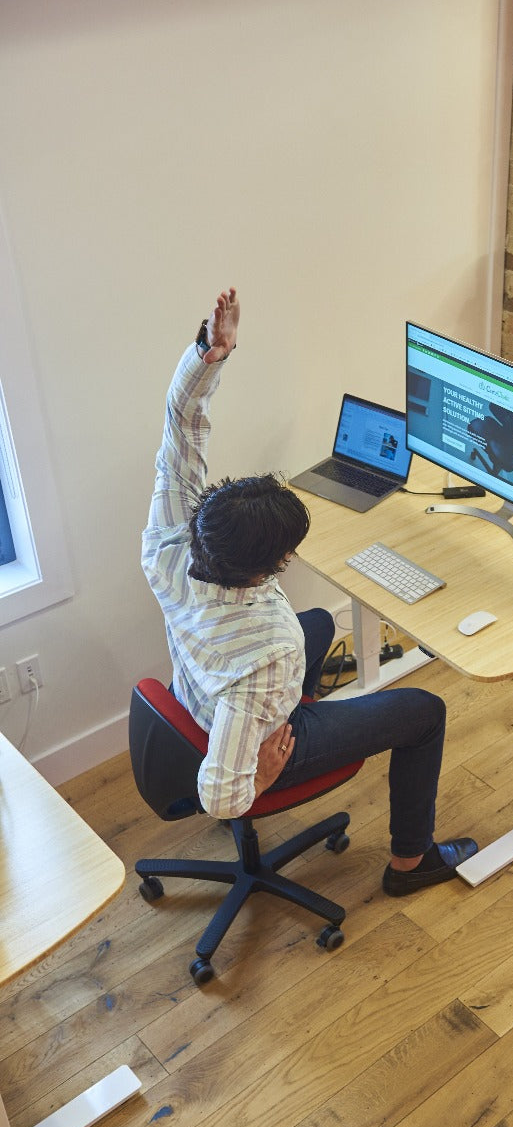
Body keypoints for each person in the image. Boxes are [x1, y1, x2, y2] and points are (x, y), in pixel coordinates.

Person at [142, 287, 478, 895]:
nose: (292, 557)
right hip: (253, 734)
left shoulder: (170, 545)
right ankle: (412, 863)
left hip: (199, 689)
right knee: (426, 711)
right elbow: (217, 795)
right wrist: (260, 777)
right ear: (261, 570)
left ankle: (295, 714)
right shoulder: (269, 653)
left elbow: (180, 426)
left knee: (320, 620)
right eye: (286, 553)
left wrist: (211, 354)